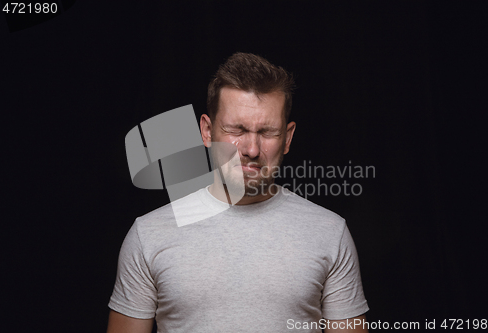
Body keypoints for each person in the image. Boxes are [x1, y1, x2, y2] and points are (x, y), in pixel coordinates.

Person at [107, 53, 369, 333]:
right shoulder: (149, 234)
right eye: (237, 129)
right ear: (207, 132)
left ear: (288, 138)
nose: (252, 150)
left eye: (267, 132)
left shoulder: (330, 233)